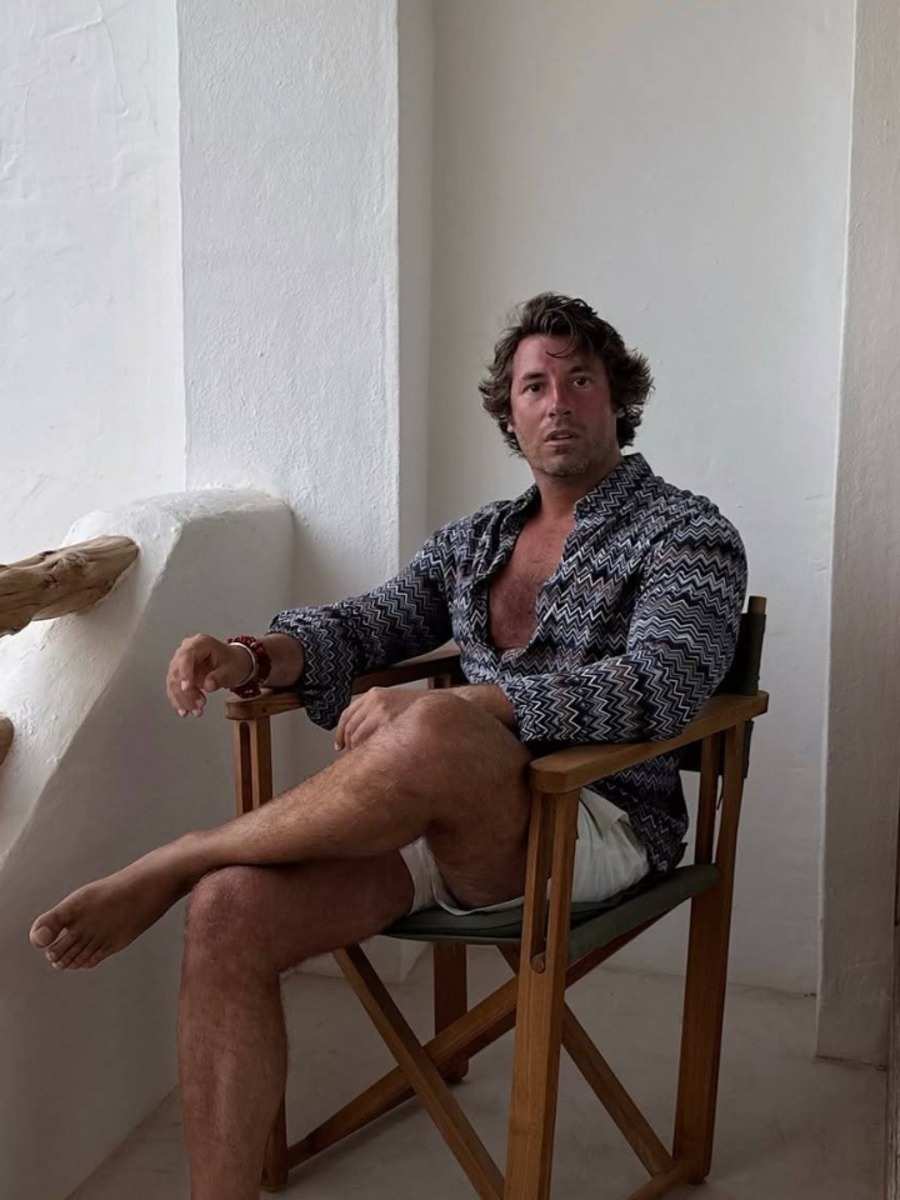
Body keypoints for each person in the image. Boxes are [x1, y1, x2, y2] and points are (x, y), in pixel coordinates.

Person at [29, 292, 747, 1199]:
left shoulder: (686, 532)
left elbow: (664, 684)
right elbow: (367, 625)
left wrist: (471, 707)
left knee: (438, 718)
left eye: (580, 381)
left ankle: (182, 854)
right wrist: (249, 655)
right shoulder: (479, 540)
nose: (558, 402)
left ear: (618, 399)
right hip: (445, 818)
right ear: (510, 412)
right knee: (225, 912)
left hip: (596, 820)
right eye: (535, 386)